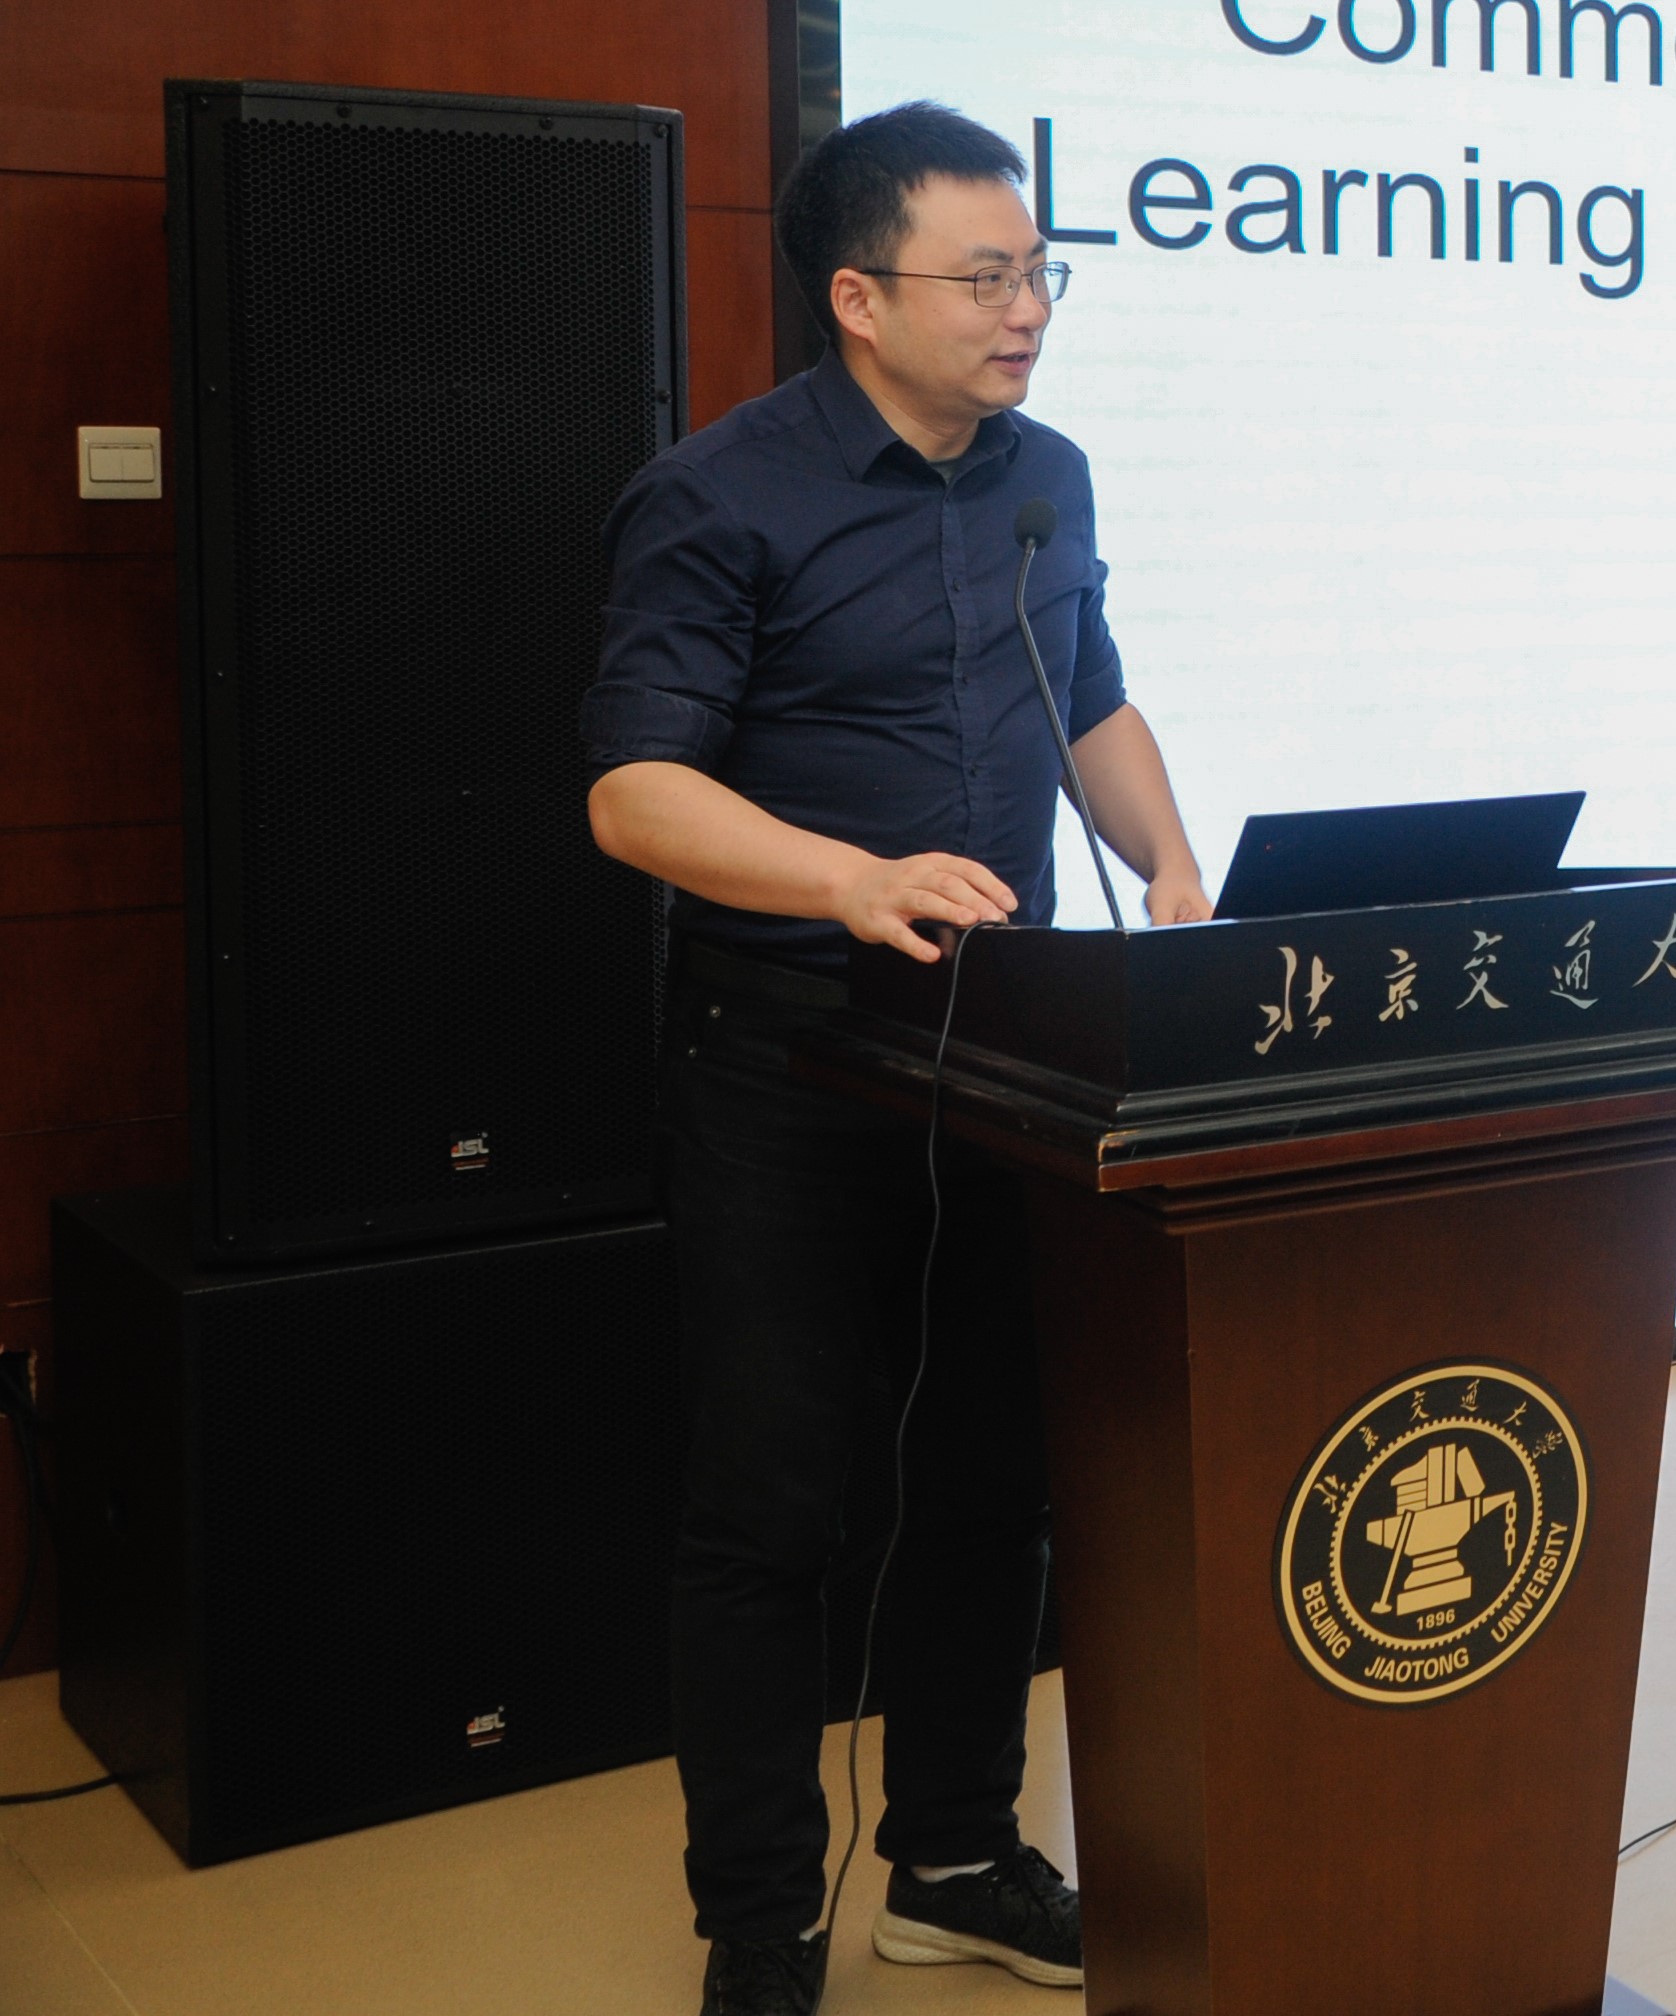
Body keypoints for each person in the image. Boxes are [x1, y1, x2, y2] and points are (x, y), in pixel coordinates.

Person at [582, 103, 1210, 2016]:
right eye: (988, 277)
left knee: (993, 1478)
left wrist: (1173, 866)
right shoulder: (720, 495)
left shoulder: (1048, 478)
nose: (1030, 310)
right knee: (772, 1506)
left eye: (1042, 273)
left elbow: (1088, 699)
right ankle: (761, 1930)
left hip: (1002, 1055)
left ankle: (953, 1857)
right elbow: (632, 792)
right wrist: (846, 879)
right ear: (858, 298)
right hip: (785, 1060)